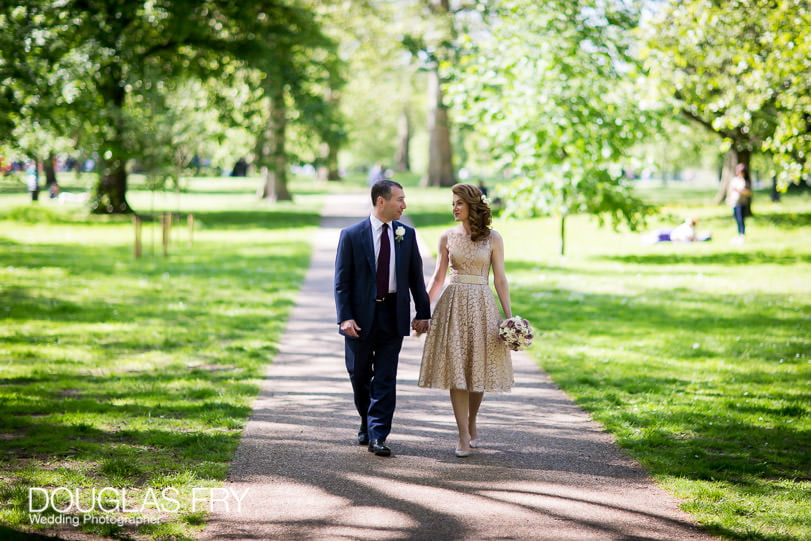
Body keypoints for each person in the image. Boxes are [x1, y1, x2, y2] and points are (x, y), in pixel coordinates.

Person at [334, 180, 431, 456]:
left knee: (386, 377)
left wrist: (423, 312)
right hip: (359, 318)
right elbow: (342, 282)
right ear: (381, 201)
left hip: (392, 314)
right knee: (359, 374)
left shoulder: (406, 234)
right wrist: (345, 318)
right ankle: (366, 420)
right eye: (399, 199)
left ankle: (378, 434)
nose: (404, 205)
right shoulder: (351, 235)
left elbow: (415, 277)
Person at [417, 183, 514, 458]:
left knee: (477, 372)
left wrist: (509, 318)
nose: (454, 208)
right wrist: (423, 311)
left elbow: (500, 278)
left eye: (459, 203)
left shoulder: (493, 238)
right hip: (453, 306)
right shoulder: (446, 236)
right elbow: (437, 277)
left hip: (483, 305)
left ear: (473, 205)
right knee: (457, 371)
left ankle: (472, 420)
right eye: (453, 203)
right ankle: (462, 434)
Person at [726, 163, 752, 245]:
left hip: (741, 203)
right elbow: (730, 191)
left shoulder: (745, 182)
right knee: (736, 219)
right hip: (734, 202)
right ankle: (739, 234)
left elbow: (748, 192)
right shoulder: (734, 180)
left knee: (741, 219)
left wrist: (740, 191)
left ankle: (742, 234)